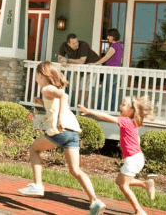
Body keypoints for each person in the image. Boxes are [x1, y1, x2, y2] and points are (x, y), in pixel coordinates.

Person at [18, 61, 107, 215]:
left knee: (34, 149)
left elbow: (64, 96)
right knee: (75, 170)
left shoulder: (47, 88)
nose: (35, 78)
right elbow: (57, 102)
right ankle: (95, 201)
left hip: (60, 130)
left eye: (36, 75)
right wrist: (41, 102)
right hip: (72, 132)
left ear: (42, 75)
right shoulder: (51, 90)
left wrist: (60, 118)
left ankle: (38, 185)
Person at [79, 96, 156, 215]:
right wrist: (127, 154)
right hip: (136, 157)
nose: (121, 106)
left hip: (133, 158)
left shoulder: (125, 120)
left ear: (131, 111)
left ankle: (139, 211)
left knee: (123, 185)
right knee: (119, 181)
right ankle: (145, 184)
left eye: (124, 105)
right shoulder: (132, 122)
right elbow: (137, 138)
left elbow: (107, 117)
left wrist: (89, 111)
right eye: (121, 104)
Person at [58, 34, 100, 105]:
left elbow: (81, 61)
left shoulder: (84, 45)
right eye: (73, 43)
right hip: (78, 68)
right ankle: (81, 105)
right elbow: (60, 57)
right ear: (68, 44)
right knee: (77, 86)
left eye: (76, 42)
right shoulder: (64, 46)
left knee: (85, 88)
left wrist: (67, 60)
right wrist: (62, 61)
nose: (76, 44)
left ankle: (80, 105)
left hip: (91, 66)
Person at [94, 28, 124, 111]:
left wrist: (96, 63)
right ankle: (112, 109)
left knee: (104, 90)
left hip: (111, 70)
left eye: (109, 36)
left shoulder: (114, 46)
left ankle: (98, 108)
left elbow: (106, 57)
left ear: (113, 36)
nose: (107, 37)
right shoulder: (120, 46)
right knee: (113, 91)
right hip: (117, 70)